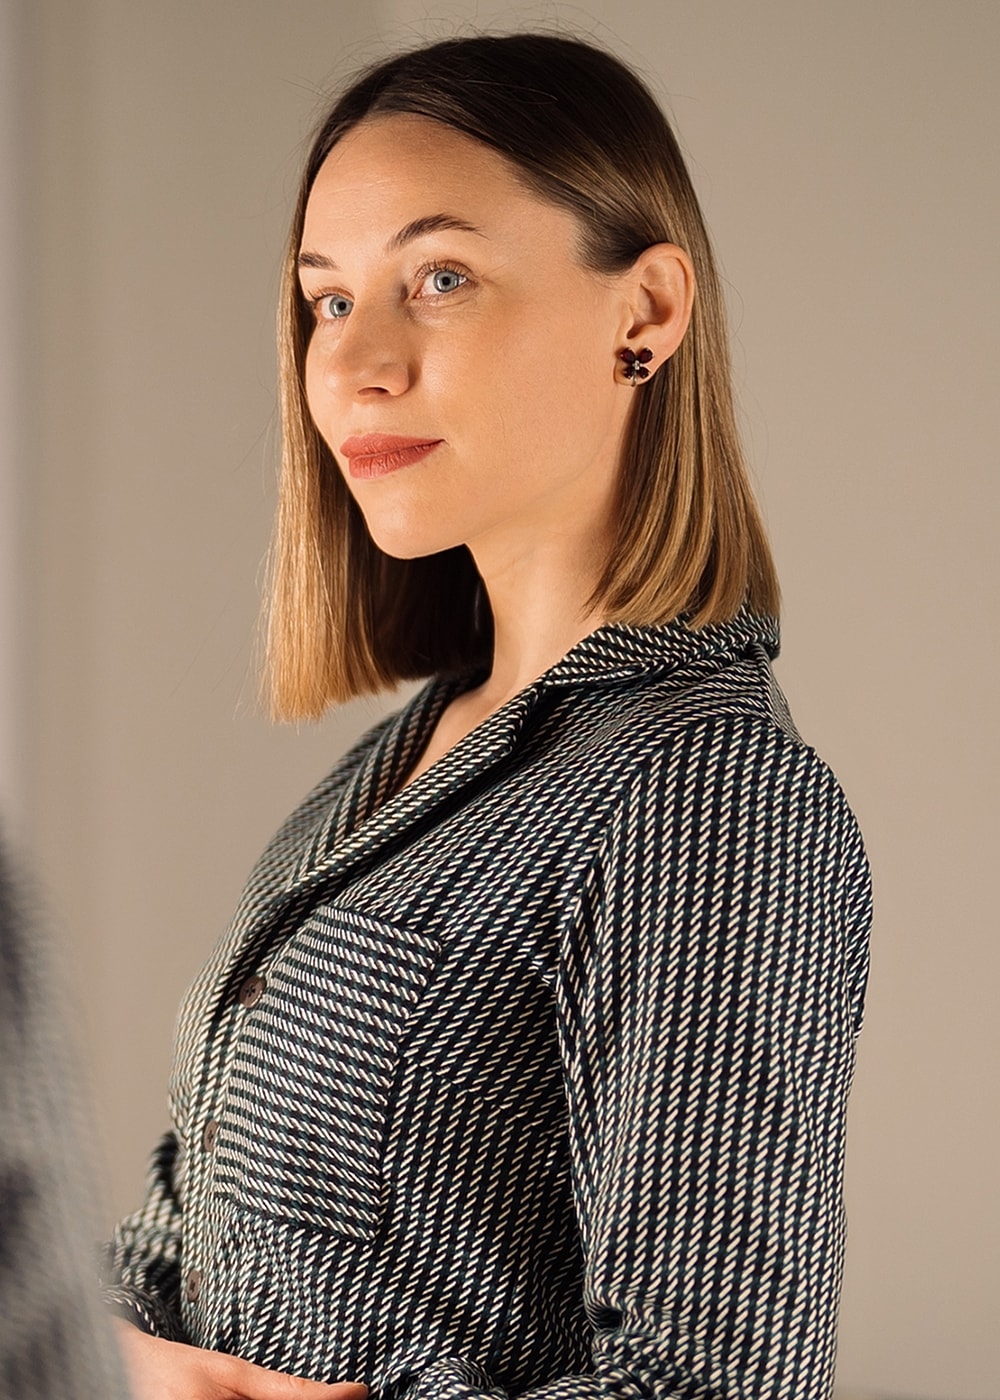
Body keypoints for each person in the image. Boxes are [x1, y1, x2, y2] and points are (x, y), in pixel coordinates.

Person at [103, 32, 872, 1400]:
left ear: (645, 314)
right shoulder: (381, 780)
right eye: (327, 302)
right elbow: (186, 1257)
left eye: (439, 279)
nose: (354, 365)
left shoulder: (706, 795)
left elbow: (715, 1385)